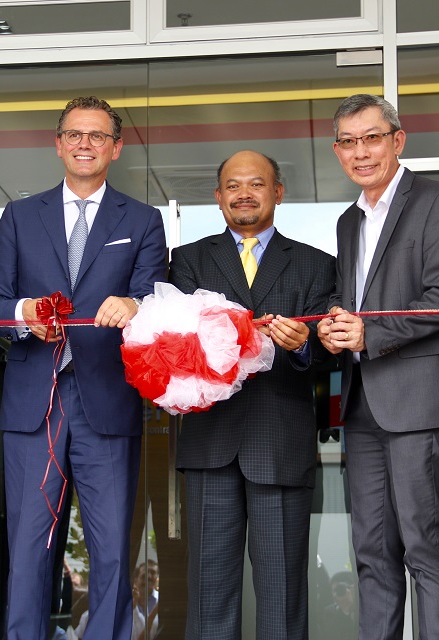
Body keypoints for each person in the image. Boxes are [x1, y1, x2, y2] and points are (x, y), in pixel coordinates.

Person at [0, 95, 167, 640]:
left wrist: (135, 305)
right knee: (28, 546)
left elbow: (156, 299)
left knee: (111, 550)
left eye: (97, 136)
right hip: (33, 401)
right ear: (58, 144)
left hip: (105, 399)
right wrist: (24, 314)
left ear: (117, 147)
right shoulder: (19, 215)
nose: (85, 144)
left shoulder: (143, 220)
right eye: (75, 135)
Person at [316, 94, 439, 640]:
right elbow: (354, 299)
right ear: (337, 151)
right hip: (363, 404)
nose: (361, 152)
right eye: (348, 142)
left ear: (398, 140)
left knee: (424, 542)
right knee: (371, 550)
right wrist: (334, 322)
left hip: (418, 399)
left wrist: (370, 333)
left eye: (372, 138)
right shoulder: (348, 220)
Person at [168, 150, 335, 639]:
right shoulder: (187, 261)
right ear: (218, 197)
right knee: (209, 598)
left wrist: (303, 346)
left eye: (256, 184)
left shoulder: (317, 264)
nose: (244, 194)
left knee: (282, 598)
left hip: (280, 444)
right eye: (233, 186)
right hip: (210, 443)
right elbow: (177, 348)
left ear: (278, 192)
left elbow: (333, 354)